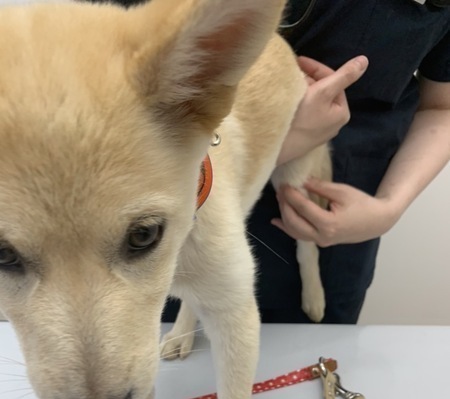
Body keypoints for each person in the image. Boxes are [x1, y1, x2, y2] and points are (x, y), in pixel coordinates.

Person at [90, 0, 450, 324]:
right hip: (170, 213)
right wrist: (282, 136)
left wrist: (388, 207)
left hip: (334, 221)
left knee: (312, 354)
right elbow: (99, 95)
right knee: (175, 347)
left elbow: (442, 105)